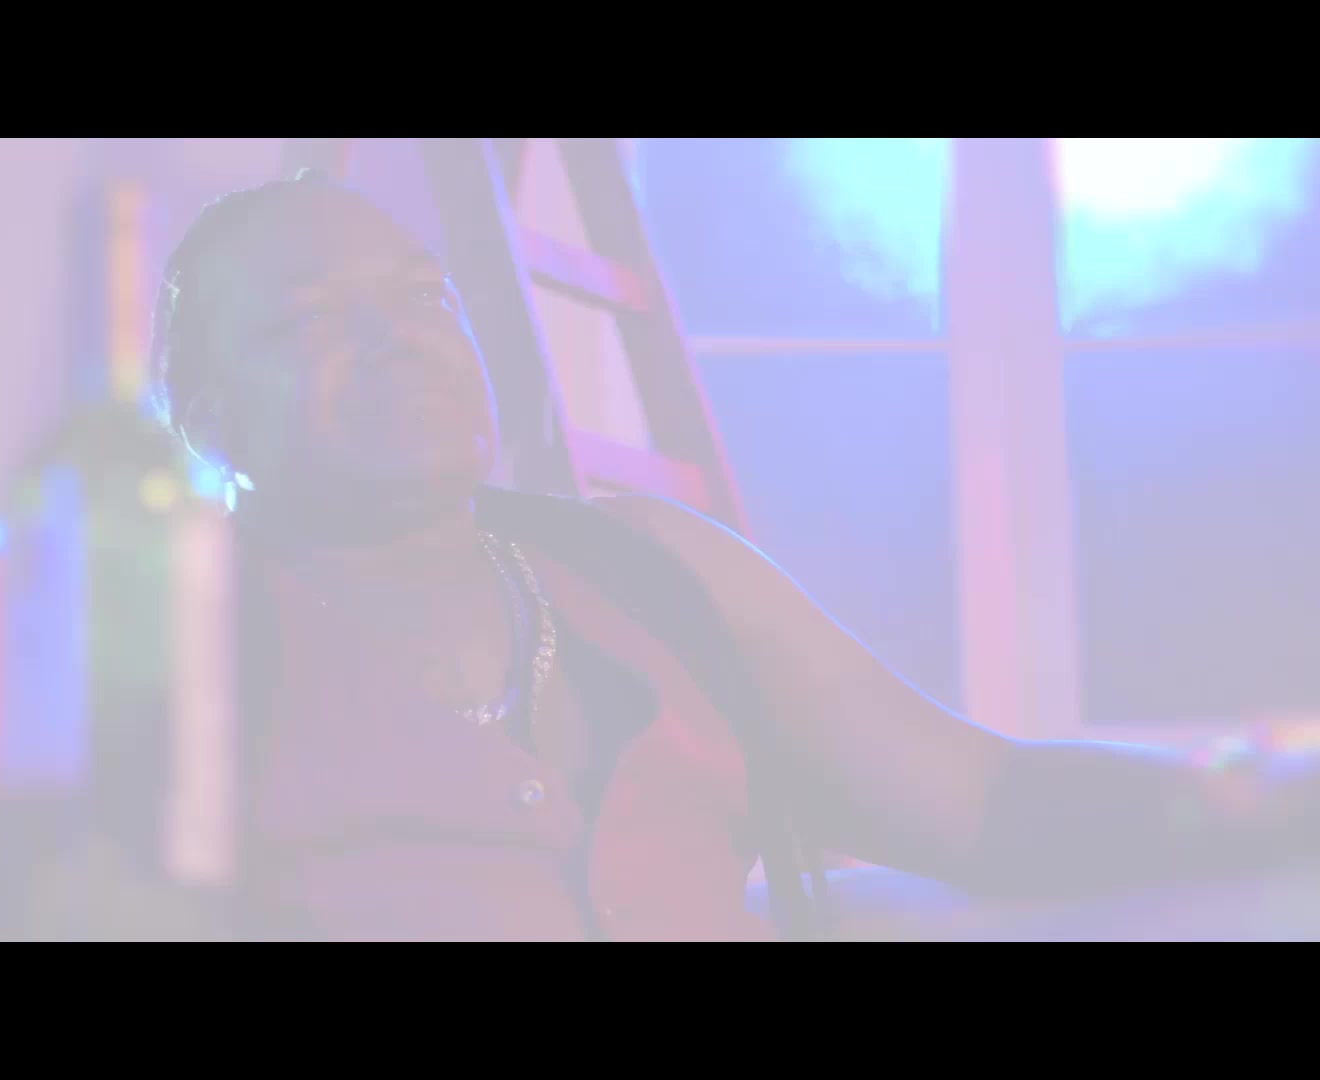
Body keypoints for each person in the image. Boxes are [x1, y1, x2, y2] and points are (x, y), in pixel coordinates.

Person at [147, 167, 1320, 941]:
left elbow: (989, 803)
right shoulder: (166, 644)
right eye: (312, 318)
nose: (397, 341)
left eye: (425, 300)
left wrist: (1278, 790)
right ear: (206, 421)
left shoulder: (649, 571)